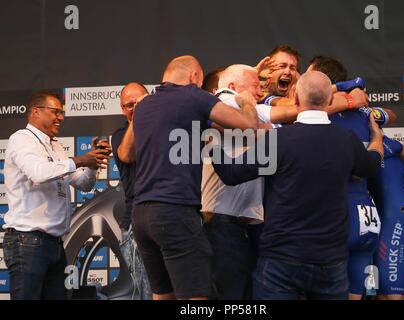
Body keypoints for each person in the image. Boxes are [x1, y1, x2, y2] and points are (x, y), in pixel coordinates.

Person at [211, 71, 384, 300]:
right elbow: (372, 165)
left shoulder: (277, 141)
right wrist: (377, 138)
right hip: (330, 262)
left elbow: (231, 173)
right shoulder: (346, 141)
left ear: (296, 100)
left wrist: (211, 139)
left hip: (280, 261)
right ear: (331, 101)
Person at [119, 55, 258, 300]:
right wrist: (246, 101)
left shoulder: (146, 105)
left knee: (163, 296)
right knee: (195, 298)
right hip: (175, 213)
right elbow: (248, 125)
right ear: (194, 77)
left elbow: (125, 154)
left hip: (141, 217)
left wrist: (138, 112)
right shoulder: (194, 96)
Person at [2, 91, 111, 300]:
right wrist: (79, 160)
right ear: (35, 112)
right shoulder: (21, 139)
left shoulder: (56, 147)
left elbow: (84, 184)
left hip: (55, 244)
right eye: (55, 112)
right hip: (27, 242)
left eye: (62, 113)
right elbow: (38, 173)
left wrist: (93, 163)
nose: (61, 117)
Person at [201, 64, 298, 299]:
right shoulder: (225, 101)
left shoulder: (249, 107)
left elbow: (293, 111)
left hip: (237, 224)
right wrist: (247, 106)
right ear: (233, 87)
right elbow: (253, 128)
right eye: (256, 85)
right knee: (230, 296)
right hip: (221, 221)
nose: (260, 91)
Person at [308, 56, 396, 299]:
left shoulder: (319, 116)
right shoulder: (363, 113)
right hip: (366, 217)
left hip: (335, 215)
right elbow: (390, 115)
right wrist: (365, 106)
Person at [369, 136, 404, 300]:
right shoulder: (385, 141)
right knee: (382, 294)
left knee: (392, 295)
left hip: (398, 218)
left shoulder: (373, 143)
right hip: (395, 214)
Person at [111, 82, 151, 299]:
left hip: (165, 219)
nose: (134, 108)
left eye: (140, 102)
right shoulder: (119, 135)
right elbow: (128, 155)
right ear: (122, 109)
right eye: (129, 105)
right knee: (142, 293)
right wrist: (140, 113)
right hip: (135, 224)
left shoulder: (165, 130)